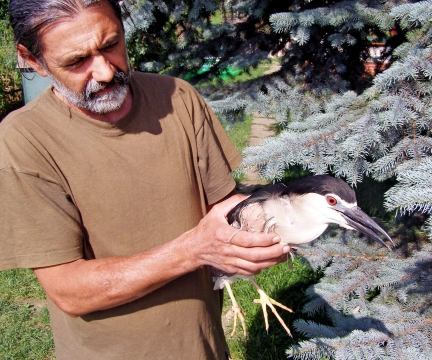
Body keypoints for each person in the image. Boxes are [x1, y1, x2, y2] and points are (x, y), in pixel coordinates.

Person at [0, 1, 290, 359]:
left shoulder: (178, 98)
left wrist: (268, 226)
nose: (105, 72)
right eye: (77, 61)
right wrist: (191, 250)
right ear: (31, 59)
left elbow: (224, 205)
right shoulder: (25, 141)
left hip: (205, 347)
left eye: (111, 45)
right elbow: (69, 291)